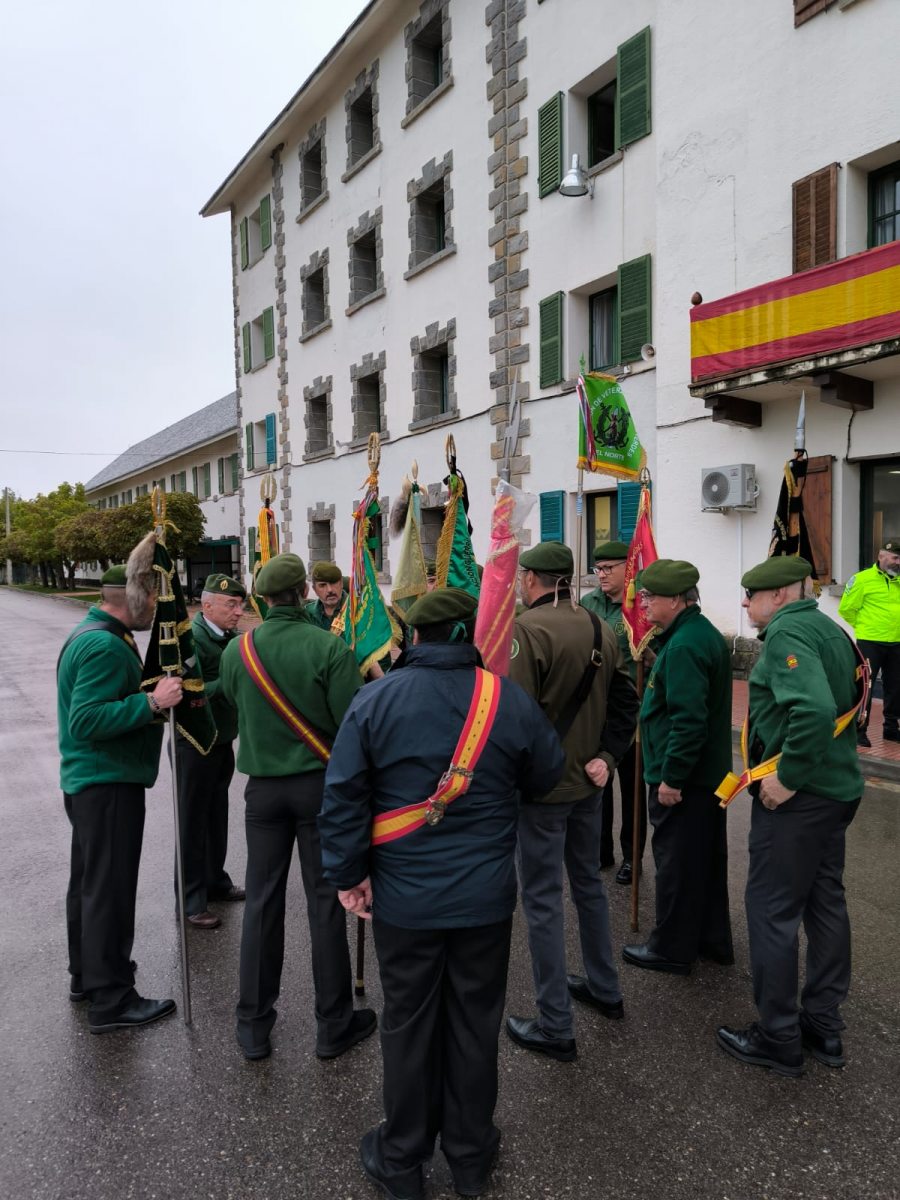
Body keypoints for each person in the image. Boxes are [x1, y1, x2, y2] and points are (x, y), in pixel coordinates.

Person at [319, 588, 564, 1200]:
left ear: (415, 637)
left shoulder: (376, 698)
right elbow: (547, 774)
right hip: (484, 898)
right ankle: (470, 1157)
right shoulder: (506, 698)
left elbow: (344, 794)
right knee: (475, 1024)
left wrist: (348, 875)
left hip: (405, 900)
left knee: (407, 1024)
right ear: (468, 634)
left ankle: (402, 1158)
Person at [219, 553, 375, 1061]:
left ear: (263, 599)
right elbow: (351, 723)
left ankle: (252, 1024)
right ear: (304, 593)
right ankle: (333, 1025)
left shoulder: (237, 649)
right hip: (319, 787)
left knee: (261, 904)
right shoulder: (328, 646)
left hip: (262, 791)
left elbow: (232, 706)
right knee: (326, 902)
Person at [717, 556, 865, 1077]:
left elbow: (815, 710)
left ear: (778, 595)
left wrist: (789, 776)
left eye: (751, 594)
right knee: (825, 904)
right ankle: (822, 1024)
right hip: (836, 790)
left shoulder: (786, 633)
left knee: (771, 910)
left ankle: (778, 1035)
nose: (744, 603)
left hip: (801, 798)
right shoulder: (829, 627)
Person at [505, 541, 638, 1062]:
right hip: (589, 781)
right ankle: (605, 988)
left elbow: (516, 719)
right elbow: (627, 701)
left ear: (531, 579)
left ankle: (555, 1024)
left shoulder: (527, 630)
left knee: (542, 901)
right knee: (588, 886)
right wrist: (607, 755)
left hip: (542, 791)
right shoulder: (601, 626)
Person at [58, 564, 182, 1033]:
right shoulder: (105, 645)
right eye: (151, 597)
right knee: (109, 892)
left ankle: (87, 976)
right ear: (131, 596)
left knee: (90, 887)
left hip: (92, 781)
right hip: (106, 782)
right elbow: (85, 720)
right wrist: (152, 703)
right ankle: (111, 999)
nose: (155, 606)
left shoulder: (94, 633)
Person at [622, 559, 734, 975]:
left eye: (649, 597)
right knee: (703, 862)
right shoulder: (693, 635)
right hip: (705, 779)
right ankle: (710, 940)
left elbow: (689, 722)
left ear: (676, 600)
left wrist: (672, 777)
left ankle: (671, 948)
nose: (643, 604)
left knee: (678, 867)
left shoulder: (686, 644)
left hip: (687, 781)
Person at [173, 572, 247, 930]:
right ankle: (191, 899)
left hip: (221, 738)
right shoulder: (192, 639)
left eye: (240, 605)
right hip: (195, 741)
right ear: (207, 605)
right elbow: (192, 690)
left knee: (217, 815)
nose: (238, 611)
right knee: (192, 822)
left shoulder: (230, 637)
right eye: (231, 605)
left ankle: (215, 881)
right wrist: (231, 682)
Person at [581, 539, 649, 884]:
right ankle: (601, 850)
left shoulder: (641, 605)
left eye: (609, 568)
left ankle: (632, 858)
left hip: (633, 711)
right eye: (598, 569)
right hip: (598, 710)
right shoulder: (587, 604)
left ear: (628, 568)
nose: (602, 575)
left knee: (633, 791)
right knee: (599, 783)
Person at [837, 538, 900, 746]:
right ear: (881, 556)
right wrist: (864, 627)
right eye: (895, 558)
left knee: (895, 687)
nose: (898, 562)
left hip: (897, 642)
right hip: (870, 642)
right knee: (866, 686)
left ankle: (891, 729)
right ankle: (859, 730)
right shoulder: (861, 579)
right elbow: (846, 609)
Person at [306, 560, 348, 631]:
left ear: (341, 583)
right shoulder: (308, 614)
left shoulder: (355, 609)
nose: (330, 590)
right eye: (322, 585)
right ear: (315, 589)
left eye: (333, 583)